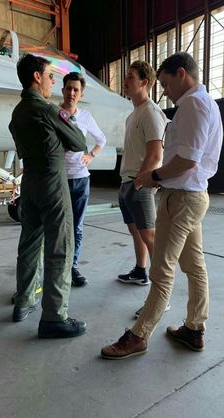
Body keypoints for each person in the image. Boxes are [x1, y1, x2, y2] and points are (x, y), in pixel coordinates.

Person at [101, 52, 223, 359]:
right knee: (194, 267)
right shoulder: (200, 103)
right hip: (191, 196)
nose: (164, 90)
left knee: (161, 271)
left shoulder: (194, 104)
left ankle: (138, 335)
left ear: (181, 73)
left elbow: (186, 160)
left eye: (166, 82)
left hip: (181, 199)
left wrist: (152, 176)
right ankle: (194, 328)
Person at [9, 53, 87, 339]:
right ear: (37, 77)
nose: (54, 82)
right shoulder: (46, 108)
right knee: (60, 247)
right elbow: (79, 142)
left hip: (29, 181)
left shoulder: (18, 111)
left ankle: (24, 301)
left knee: (29, 243)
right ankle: (55, 316)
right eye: (50, 76)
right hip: (53, 182)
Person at [116, 60, 169, 316]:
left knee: (150, 237)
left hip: (141, 185)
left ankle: (161, 296)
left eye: (130, 76)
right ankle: (140, 271)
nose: (125, 80)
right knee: (137, 232)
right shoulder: (132, 114)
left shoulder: (151, 112)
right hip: (127, 182)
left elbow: (155, 154)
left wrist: (139, 182)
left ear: (144, 82)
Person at [62, 72, 106, 286]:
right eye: (68, 88)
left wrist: (91, 155)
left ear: (81, 94)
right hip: (58, 179)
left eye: (76, 90)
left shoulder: (85, 117)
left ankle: (73, 267)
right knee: (58, 226)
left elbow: (101, 139)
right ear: (62, 90)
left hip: (80, 179)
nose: (71, 93)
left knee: (77, 227)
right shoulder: (54, 113)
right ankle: (57, 267)